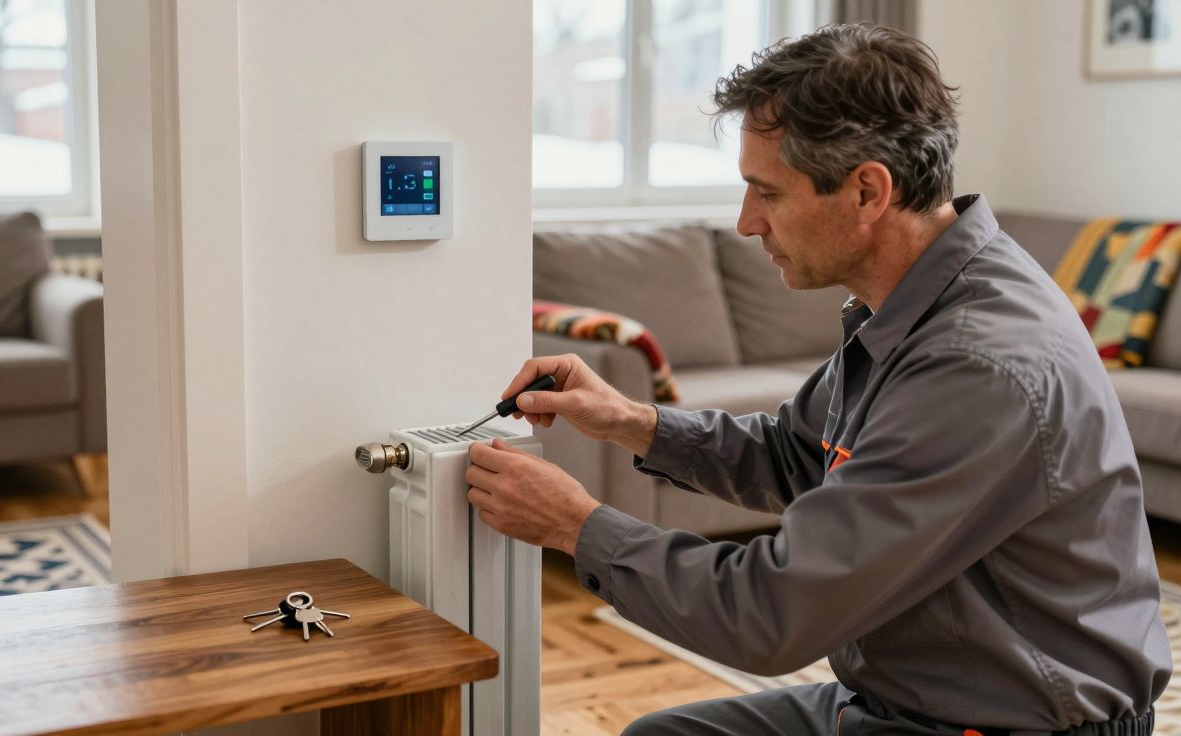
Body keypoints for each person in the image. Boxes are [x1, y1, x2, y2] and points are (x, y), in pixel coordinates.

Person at [463, 23, 1170, 736]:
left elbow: (770, 614)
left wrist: (575, 525)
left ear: (867, 190)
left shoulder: (976, 365)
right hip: (907, 703)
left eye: (766, 193)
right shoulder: (914, 303)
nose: (746, 223)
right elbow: (795, 454)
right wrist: (629, 419)